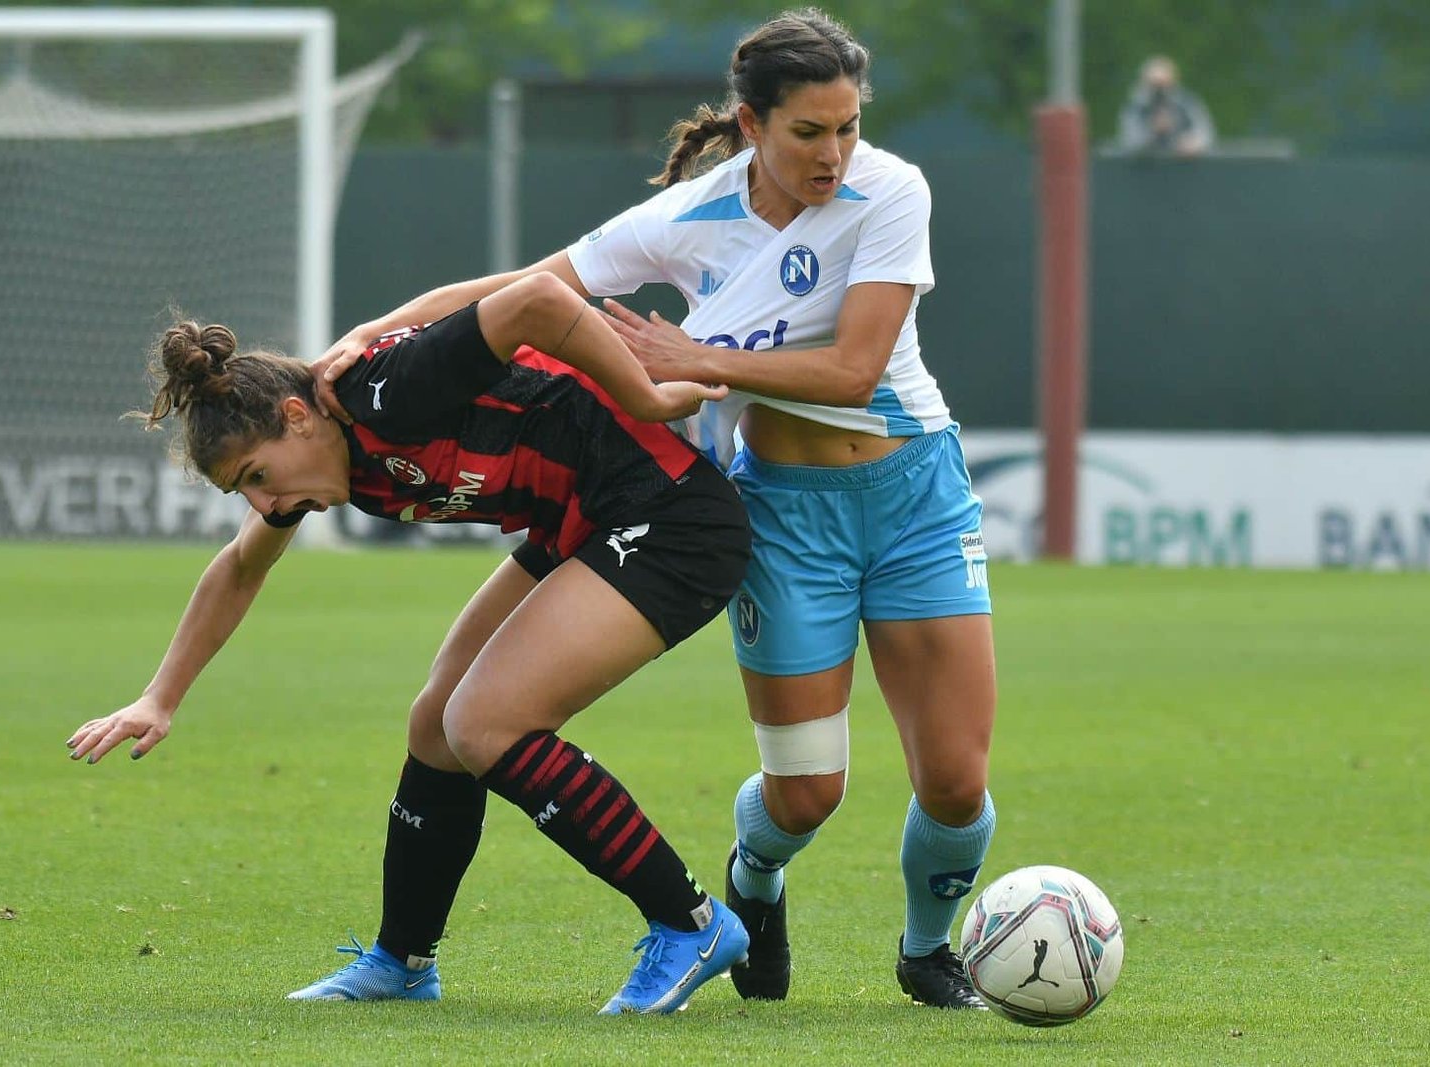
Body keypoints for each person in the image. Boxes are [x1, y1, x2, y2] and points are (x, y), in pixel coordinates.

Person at [315, 8, 997, 1010]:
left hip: (915, 498)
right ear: (751, 124)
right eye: (808, 131)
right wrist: (379, 326)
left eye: (847, 126)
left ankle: (926, 950)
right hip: (784, 518)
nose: (834, 152)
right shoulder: (688, 217)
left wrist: (696, 357)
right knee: (806, 793)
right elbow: (526, 287)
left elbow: (855, 371)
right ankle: (752, 883)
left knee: (951, 779)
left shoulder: (889, 190)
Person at [64, 272, 755, 1015]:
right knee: (438, 727)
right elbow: (239, 567)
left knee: (483, 721)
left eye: (258, 476)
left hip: (672, 518)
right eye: (246, 492)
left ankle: (693, 924)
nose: (265, 505)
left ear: (297, 415)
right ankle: (403, 961)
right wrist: (160, 697)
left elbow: (542, 299)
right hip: (584, 521)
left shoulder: (384, 389)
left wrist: (649, 398)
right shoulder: (326, 456)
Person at [1116, 55, 1215, 157]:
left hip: (1182, 167)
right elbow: (1128, 141)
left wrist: (1191, 143)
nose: (1159, 90)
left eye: (1164, 83)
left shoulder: (1186, 103)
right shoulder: (1136, 107)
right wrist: (1153, 132)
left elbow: (1205, 133)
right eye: (1154, 84)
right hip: (1144, 169)